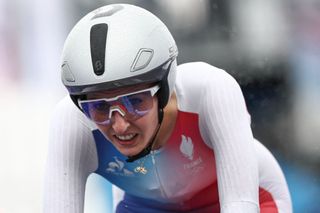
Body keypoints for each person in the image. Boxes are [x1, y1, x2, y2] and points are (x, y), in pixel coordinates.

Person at [43, 4, 292, 213]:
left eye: (135, 102)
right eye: (98, 107)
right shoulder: (72, 122)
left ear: (165, 87)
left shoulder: (211, 90)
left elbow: (241, 205)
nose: (119, 125)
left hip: (246, 198)